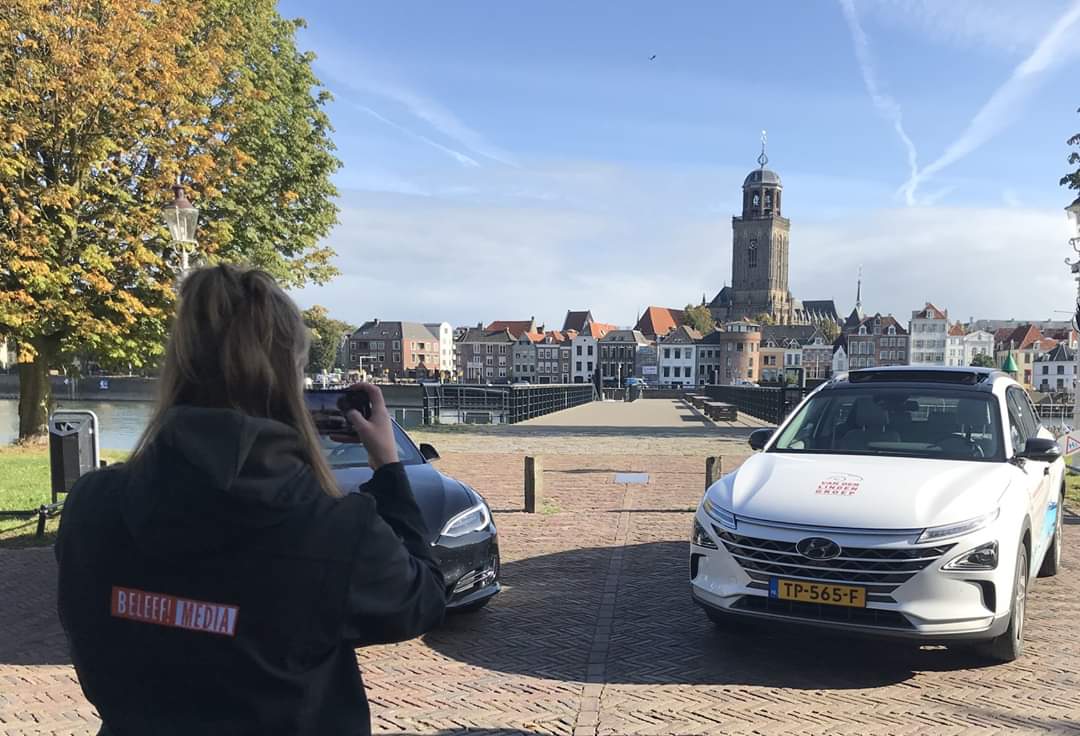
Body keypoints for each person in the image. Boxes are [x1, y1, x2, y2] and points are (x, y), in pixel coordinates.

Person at [55, 264, 446, 735]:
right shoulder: (332, 527)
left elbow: (89, 640)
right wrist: (388, 467)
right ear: (288, 383)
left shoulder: (92, 507)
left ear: (178, 369)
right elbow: (419, 600)